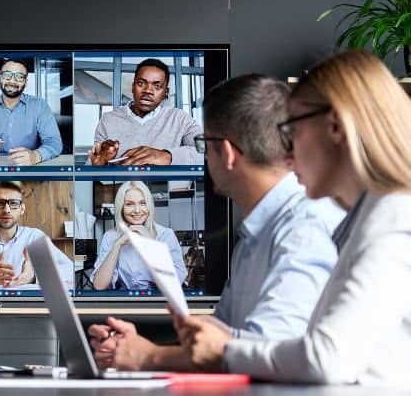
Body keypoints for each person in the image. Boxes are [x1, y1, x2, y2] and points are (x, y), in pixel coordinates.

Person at [179, 51, 411, 387]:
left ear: (334, 126)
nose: (286, 153)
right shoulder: (367, 218)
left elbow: (326, 358)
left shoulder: (393, 219)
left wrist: (227, 350)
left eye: (293, 130)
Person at [89, 74, 343, 372]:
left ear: (227, 153)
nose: (204, 156)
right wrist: (133, 348)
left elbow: (271, 353)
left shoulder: (303, 229)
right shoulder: (255, 235)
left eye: (204, 144)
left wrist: (148, 357)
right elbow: (223, 341)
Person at [87, 58, 203, 166]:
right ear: (133, 87)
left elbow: (208, 151)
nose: (147, 90)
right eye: (141, 83)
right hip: (121, 188)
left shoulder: (180, 118)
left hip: (163, 188)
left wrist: (166, 156)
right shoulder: (108, 120)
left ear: (165, 93)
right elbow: (93, 162)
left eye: (157, 86)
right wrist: (98, 165)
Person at [90, 180, 188, 291]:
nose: (137, 210)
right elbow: (99, 285)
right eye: (129, 204)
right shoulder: (110, 237)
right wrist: (117, 245)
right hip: (128, 302)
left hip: (160, 301)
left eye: (143, 203)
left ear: (149, 206)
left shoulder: (166, 235)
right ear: (121, 208)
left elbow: (175, 282)